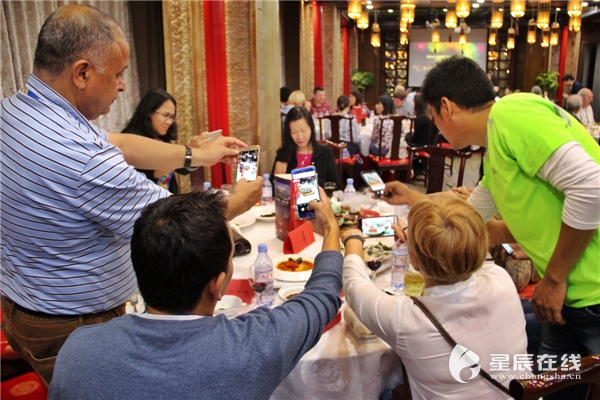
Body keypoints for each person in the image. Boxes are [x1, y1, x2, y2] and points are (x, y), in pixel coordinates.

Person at [0, 4, 262, 386]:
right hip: (71, 325)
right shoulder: (78, 157)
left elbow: (119, 142)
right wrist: (240, 198)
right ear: (83, 73)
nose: (123, 85)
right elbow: (176, 222)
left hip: (24, 302)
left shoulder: (19, 109)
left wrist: (193, 155)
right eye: (119, 74)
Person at [382, 56, 600, 400]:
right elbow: (468, 216)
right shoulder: (496, 142)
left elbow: (591, 187)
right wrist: (414, 203)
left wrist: (555, 278)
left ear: (446, 107)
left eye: (434, 119)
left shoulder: (512, 115)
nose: (436, 129)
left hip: (589, 292)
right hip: (571, 295)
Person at [49, 189, 343, 399]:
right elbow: (322, 296)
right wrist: (330, 228)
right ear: (216, 285)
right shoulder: (255, 345)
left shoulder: (78, 352)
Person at [342, 196, 527, 399]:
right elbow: (462, 255)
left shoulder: (406, 319)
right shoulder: (502, 280)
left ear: (414, 260)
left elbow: (354, 285)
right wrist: (417, 244)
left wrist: (353, 238)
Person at [122, 88, 208, 193]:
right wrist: (189, 150)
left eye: (172, 117)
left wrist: (199, 151)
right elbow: (153, 172)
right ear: (148, 112)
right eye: (165, 115)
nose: (169, 122)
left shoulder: (162, 138)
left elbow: (183, 169)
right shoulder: (131, 136)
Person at [271, 106, 340, 188]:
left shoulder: (325, 152)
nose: (299, 137)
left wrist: (312, 179)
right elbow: (271, 189)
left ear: (311, 128)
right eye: (294, 132)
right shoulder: (283, 155)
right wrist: (278, 178)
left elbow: (335, 186)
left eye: (303, 130)